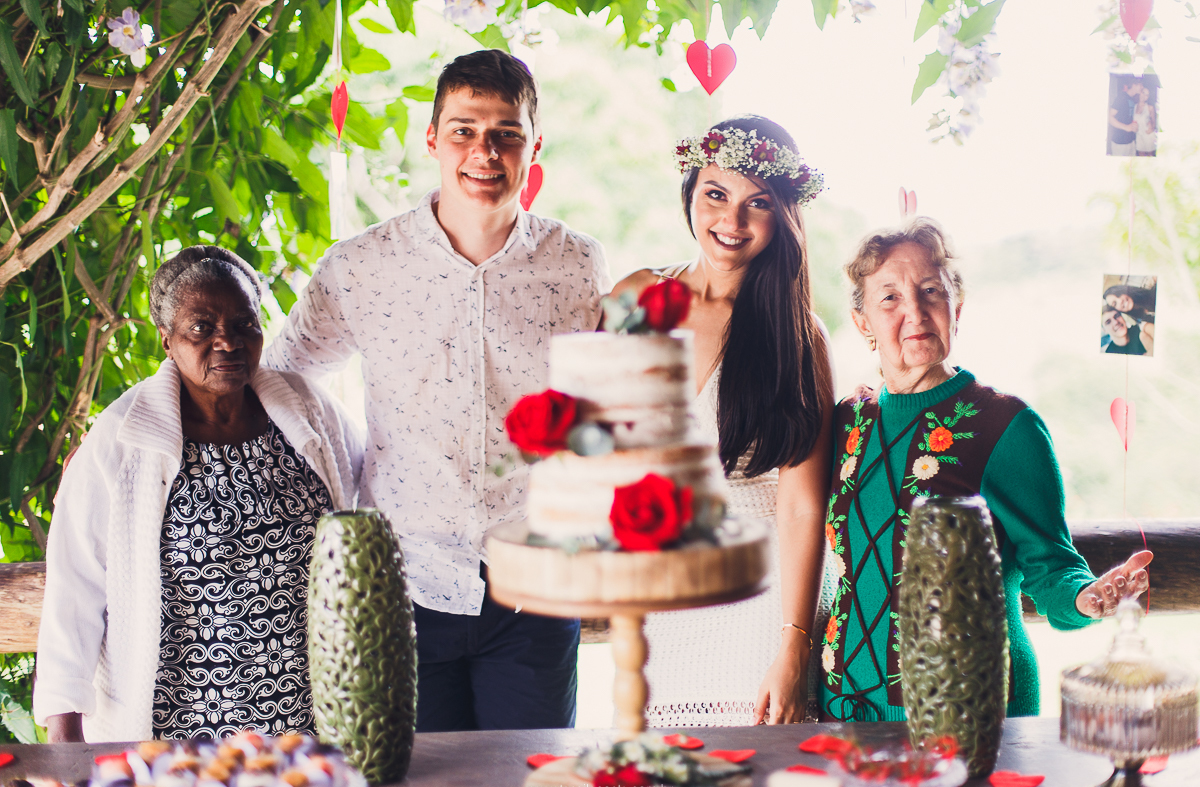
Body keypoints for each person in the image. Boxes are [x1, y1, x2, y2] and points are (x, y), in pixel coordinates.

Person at [262, 49, 611, 732]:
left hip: (537, 582)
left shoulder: (577, 262)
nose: (484, 151)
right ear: (432, 138)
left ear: (534, 145)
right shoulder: (362, 265)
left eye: (506, 133)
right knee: (418, 785)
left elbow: (604, 395)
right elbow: (275, 378)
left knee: (528, 784)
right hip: (403, 583)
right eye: (464, 130)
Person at [821, 217, 1152, 722]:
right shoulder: (846, 420)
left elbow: (1051, 565)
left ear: (957, 306)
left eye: (931, 290)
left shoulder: (1004, 425)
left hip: (968, 707)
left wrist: (1087, 598)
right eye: (889, 297)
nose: (914, 310)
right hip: (844, 707)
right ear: (863, 321)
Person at [33, 246, 363, 743]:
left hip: (311, 722)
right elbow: (73, 590)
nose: (226, 342)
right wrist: (65, 743)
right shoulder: (122, 439)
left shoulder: (309, 410)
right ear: (167, 341)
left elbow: (370, 497)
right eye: (201, 327)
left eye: (243, 324)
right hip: (179, 731)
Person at [614, 116, 835, 726]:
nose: (731, 222)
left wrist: (794, 645)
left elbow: (801, 506)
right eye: (716, 194)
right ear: (690, 192)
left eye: (756, 204)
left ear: (784, 215)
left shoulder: (800, 336)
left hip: (761, 596)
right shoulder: (636, 298)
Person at [1108, 78, 1141, 157]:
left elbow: (1128, 119)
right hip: (1120, 142)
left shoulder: (1132, 99)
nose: (1142, 87)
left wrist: (1134, 128)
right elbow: (1109, 117)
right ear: (1134, 85)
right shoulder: (1122, 97)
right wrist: (1126, 127)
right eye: (1141, 85)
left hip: (1130, 141)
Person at [1134, 84, 1157, 157]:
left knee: (1150, 157)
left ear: (1148, 98)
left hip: (1148, 136)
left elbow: (1154, 122)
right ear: (1140, 92)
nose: (1144, 96)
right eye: (1143, 92)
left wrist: (1152, 126)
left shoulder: (1150, 107)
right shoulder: (1134, 106)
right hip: (1139, 136)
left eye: (1147, 95)